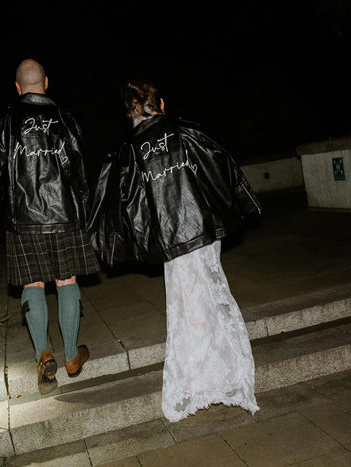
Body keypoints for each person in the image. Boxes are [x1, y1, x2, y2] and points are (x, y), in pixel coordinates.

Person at [90, 82, 261, 421]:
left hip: (172, 238)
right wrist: (241, 202)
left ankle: (204, 373)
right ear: (161, 104)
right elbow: (221, 164)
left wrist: (130, 243)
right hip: (203, 229)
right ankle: (221, 371)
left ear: (130, 113)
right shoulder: (186, 132)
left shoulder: (131, 151)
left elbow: (123, 204)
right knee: (210, 292)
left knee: (186, 301)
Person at [0, 59, 99, 395]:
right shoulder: (65, 117)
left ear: (18, 88)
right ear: (46, 81)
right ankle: (72, 356)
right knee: (66, 280)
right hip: (63, 216)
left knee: (32, 283)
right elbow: (81, 170)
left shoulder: (5, 121)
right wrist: (88, 210)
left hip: (22, 219)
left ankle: (43, 355)